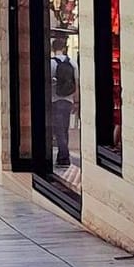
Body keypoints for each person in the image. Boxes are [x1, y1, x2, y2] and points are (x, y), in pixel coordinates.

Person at [49, 34, 78, 169]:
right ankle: (62, 155)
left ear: (52, 48)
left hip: (55, 100)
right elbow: (76, 83)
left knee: (58, 129)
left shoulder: (51, 63)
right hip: (68, 100)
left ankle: (64, 156)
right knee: (64, 128)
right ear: (65, 48)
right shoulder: (72, 63)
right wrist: (76, 101)